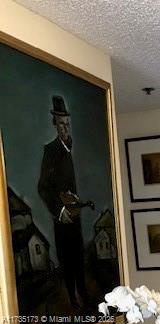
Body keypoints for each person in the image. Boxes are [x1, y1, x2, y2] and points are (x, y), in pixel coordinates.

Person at [38, 95, 93, 309]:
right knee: (67, 260)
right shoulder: (50, 150)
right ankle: (72, 298)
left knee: (78, 257)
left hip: (75, 215)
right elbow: (42, 187)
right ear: (54, 124)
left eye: (67, 124)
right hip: (61, 218)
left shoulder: (68, 149)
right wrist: (60, 210)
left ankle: (84, 295)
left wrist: (75, 201)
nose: (65, 128)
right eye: (61, 124)